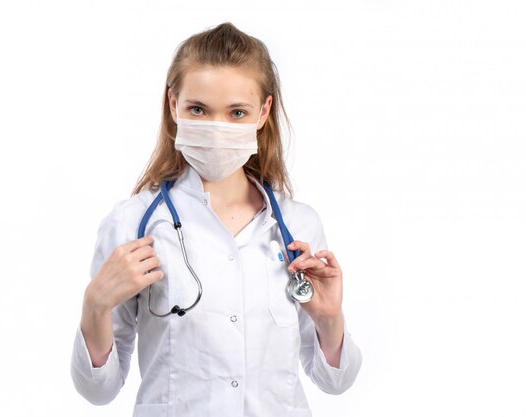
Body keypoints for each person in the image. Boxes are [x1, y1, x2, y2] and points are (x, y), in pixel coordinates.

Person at [70, 22, 362, 416]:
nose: (216, 128)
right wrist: (95, 306)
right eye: (198, 109)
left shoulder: (297, 226)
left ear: (263, 112)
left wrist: (330, 320)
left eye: (237, 112)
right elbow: (98, 391)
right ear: (173, 105)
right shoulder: (132, 224)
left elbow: (334, 381)